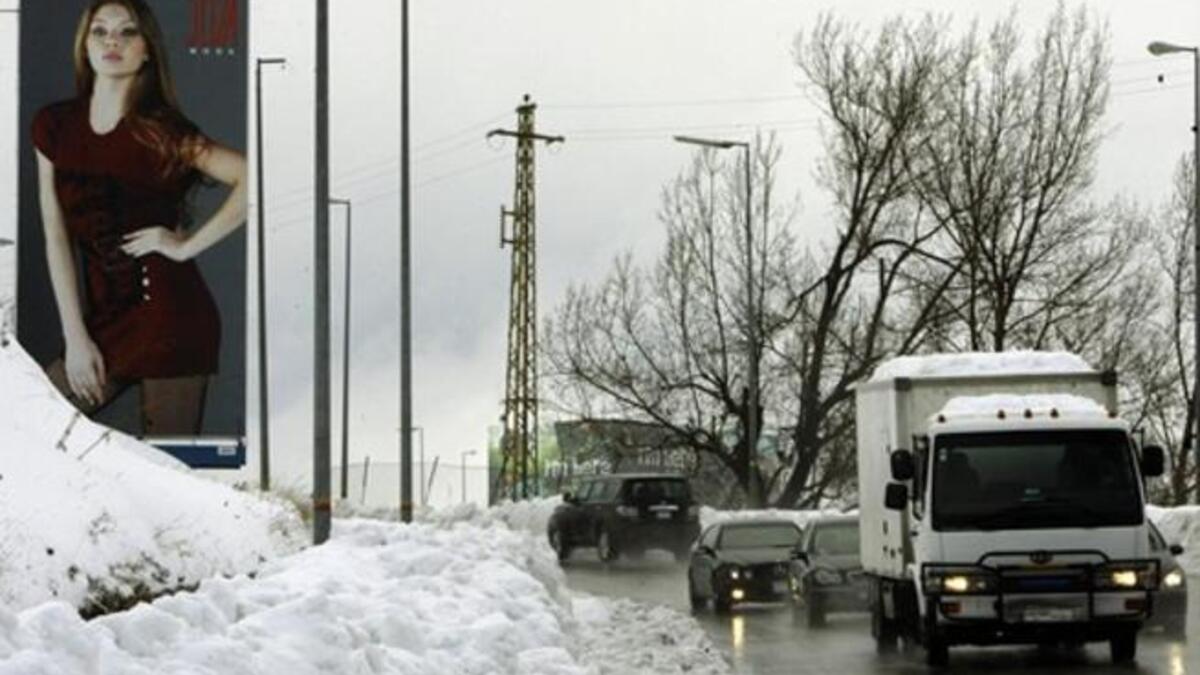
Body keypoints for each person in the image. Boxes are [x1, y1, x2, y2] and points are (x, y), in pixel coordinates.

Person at [32, 0, 246, 435]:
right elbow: (55, 235)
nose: (113, 40)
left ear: (147, 50)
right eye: (100, 31)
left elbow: (255, 177)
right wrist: (75, 337)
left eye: (128, 32)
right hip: (102, 320)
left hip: (172, 319)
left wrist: (185, 247)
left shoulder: (162, 132)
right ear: (85, 45)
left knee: (169, 464)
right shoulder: (54, 126)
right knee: (32, 428)